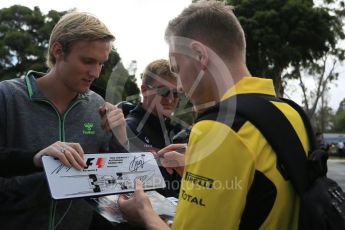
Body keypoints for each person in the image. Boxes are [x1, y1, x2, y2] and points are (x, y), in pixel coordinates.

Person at [117, 1, 310, 229]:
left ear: (199, 55)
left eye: (177, 69)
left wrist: (144, 213)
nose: (179, 87)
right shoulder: (292, 112)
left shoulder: (218, 128)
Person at [0, 11, 128, 230]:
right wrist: (48, 172)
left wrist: (121, 138)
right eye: (88, 61)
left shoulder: (98, 107)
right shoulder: (6, 96)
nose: (96, 73)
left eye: (101, 64)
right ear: (58, 50)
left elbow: (115, 183)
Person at [126, 59, 183, 198]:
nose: (170, 99)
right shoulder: (128, 129)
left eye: (176, 93)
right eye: (163, 91)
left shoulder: (178, 132)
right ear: (144, 91)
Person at [0, 142, 86, 177]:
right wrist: (33, 159)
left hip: (81, 213)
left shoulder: (95, 109)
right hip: (18, 211)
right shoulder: (6, 104)